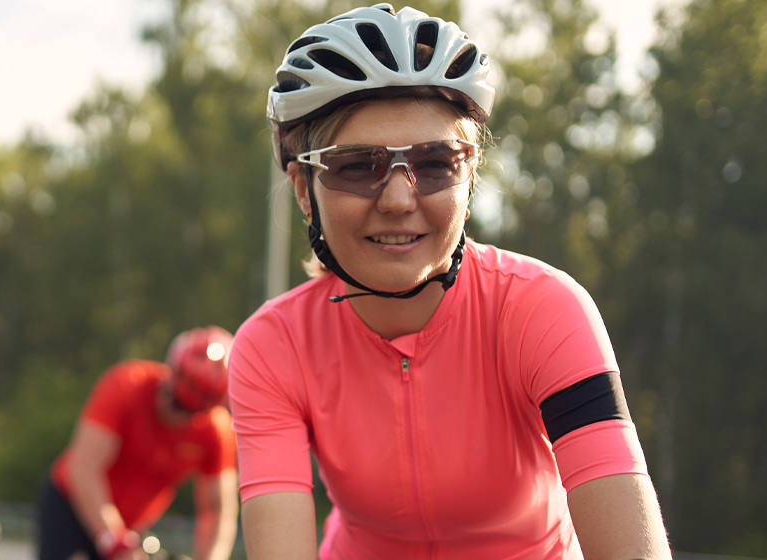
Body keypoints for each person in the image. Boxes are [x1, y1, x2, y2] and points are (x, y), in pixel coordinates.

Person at [228, 4, 673, 559]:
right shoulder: (274, 347)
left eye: (436, 161)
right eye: (356, 166)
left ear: (470, 176)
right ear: (303, 189)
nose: (397, 199)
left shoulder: (544, 310)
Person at [38, 327, 240, 560]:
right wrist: (113, 540)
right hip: (71, 506)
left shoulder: (216, 430)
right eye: (175, 404)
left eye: (191, 414)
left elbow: (217, 511)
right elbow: (84, 467)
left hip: (130, 526)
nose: (177, 420)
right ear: (170, 374)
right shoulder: (127, 385)